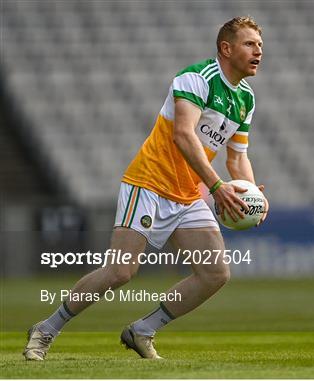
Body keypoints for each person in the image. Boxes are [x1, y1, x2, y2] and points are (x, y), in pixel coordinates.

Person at [23, 16, 267, 360]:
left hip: (187, 194)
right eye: (249, 43)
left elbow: (237, 158)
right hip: (149, 182)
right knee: (121, 271)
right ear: (226, 49)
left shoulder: (246, 99)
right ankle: (46, 329)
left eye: (259, 44)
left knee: (215, 273)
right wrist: (216, 187)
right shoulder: (197, 78)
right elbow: (183, 134)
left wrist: (252, 195)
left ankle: (142, 330)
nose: (258, 50)